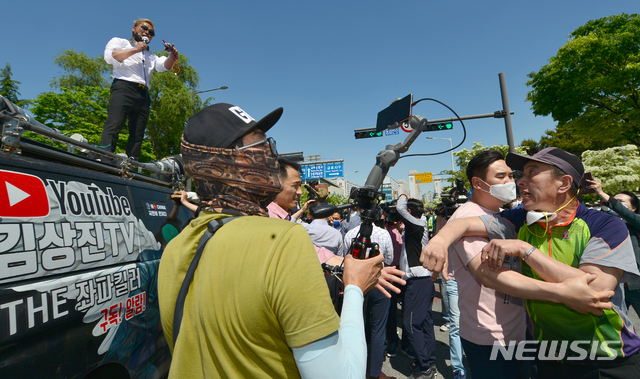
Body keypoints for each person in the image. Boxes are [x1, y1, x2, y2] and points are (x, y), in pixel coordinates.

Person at [157, 102, 384, 379]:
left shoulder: (176, 248)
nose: (272, 156)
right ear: (229, 163)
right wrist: (355, 288)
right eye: (261, 147)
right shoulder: (284, 240)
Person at [421, 147, 640, 379]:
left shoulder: (605, 225)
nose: (519, 181)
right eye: (519, 174)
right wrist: (440, 241)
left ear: (564, 184)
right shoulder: (519, 218)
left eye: (531, 173)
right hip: (550, 358)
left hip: (607, 359)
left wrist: (525, 249)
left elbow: (593, 292)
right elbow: (463, 224)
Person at [446, 150, 526, 379]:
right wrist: (561, 292)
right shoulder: (466, 216)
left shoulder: (503, 214)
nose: (510, 182)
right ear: (477, 183)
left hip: (514, 330)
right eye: (501, 177)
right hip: (489, 336)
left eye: (511, 176)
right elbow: (489, 275)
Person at [100, 19, 179, 161]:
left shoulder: (151, 56)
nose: (147, 32)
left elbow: (164, 66)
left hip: (143, 94)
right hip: (124, 87)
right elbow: (111, 57)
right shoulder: (120, 42)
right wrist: (136, 49)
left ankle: (132, 164)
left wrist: (172, 55)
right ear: (134, 29)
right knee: (114, 125)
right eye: (144, 28)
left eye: (151, 32)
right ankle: (105, 161)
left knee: (138, 133)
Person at [342, 214, 395, 379]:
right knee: (378, 330)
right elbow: (390, 258)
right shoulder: (384, 234)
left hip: (356, 283)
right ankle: (374, 373)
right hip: (380, 280)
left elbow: (346, 257)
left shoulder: (350, 234)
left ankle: (357, 369)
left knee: (356, 326)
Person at [396, 195, 437, 379]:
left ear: (410, 212)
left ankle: (423, 368)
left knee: (411, 324)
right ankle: (429, 361)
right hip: (425, 280)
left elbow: (400, 208)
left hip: (418, 282)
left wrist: (402, 196)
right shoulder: (420, 223)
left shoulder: (416, 224)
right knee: (425, 323)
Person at [588, 177, 640, 313]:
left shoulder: (636, 224)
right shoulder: (605, 225)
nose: (610, 204)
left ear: (633, 208)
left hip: (637, 286)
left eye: (619, 202)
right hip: (616, 287)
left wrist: (601, 192)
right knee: (619, 325)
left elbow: (627, 215)